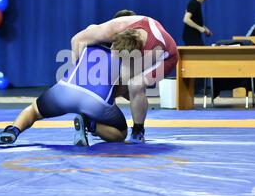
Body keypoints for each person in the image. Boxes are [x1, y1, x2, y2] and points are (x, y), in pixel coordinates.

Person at [0, 36, 142, 148]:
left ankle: (13, 131)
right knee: (121, 133)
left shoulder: (89, 40)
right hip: (96, 101)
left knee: (33, 110)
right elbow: (125, 92)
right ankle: (90, 124)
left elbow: (76, 40)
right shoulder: (128, 59)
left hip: (65, 90)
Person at [71, 12, 178, 144]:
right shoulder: (113, 29)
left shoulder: (154, 50)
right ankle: (95, 117)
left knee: (135, 85)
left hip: (167, 58)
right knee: (90, 30)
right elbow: (77, 40)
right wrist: (78, 79)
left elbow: (124, 80)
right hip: (137, 45)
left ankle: (138, 131)